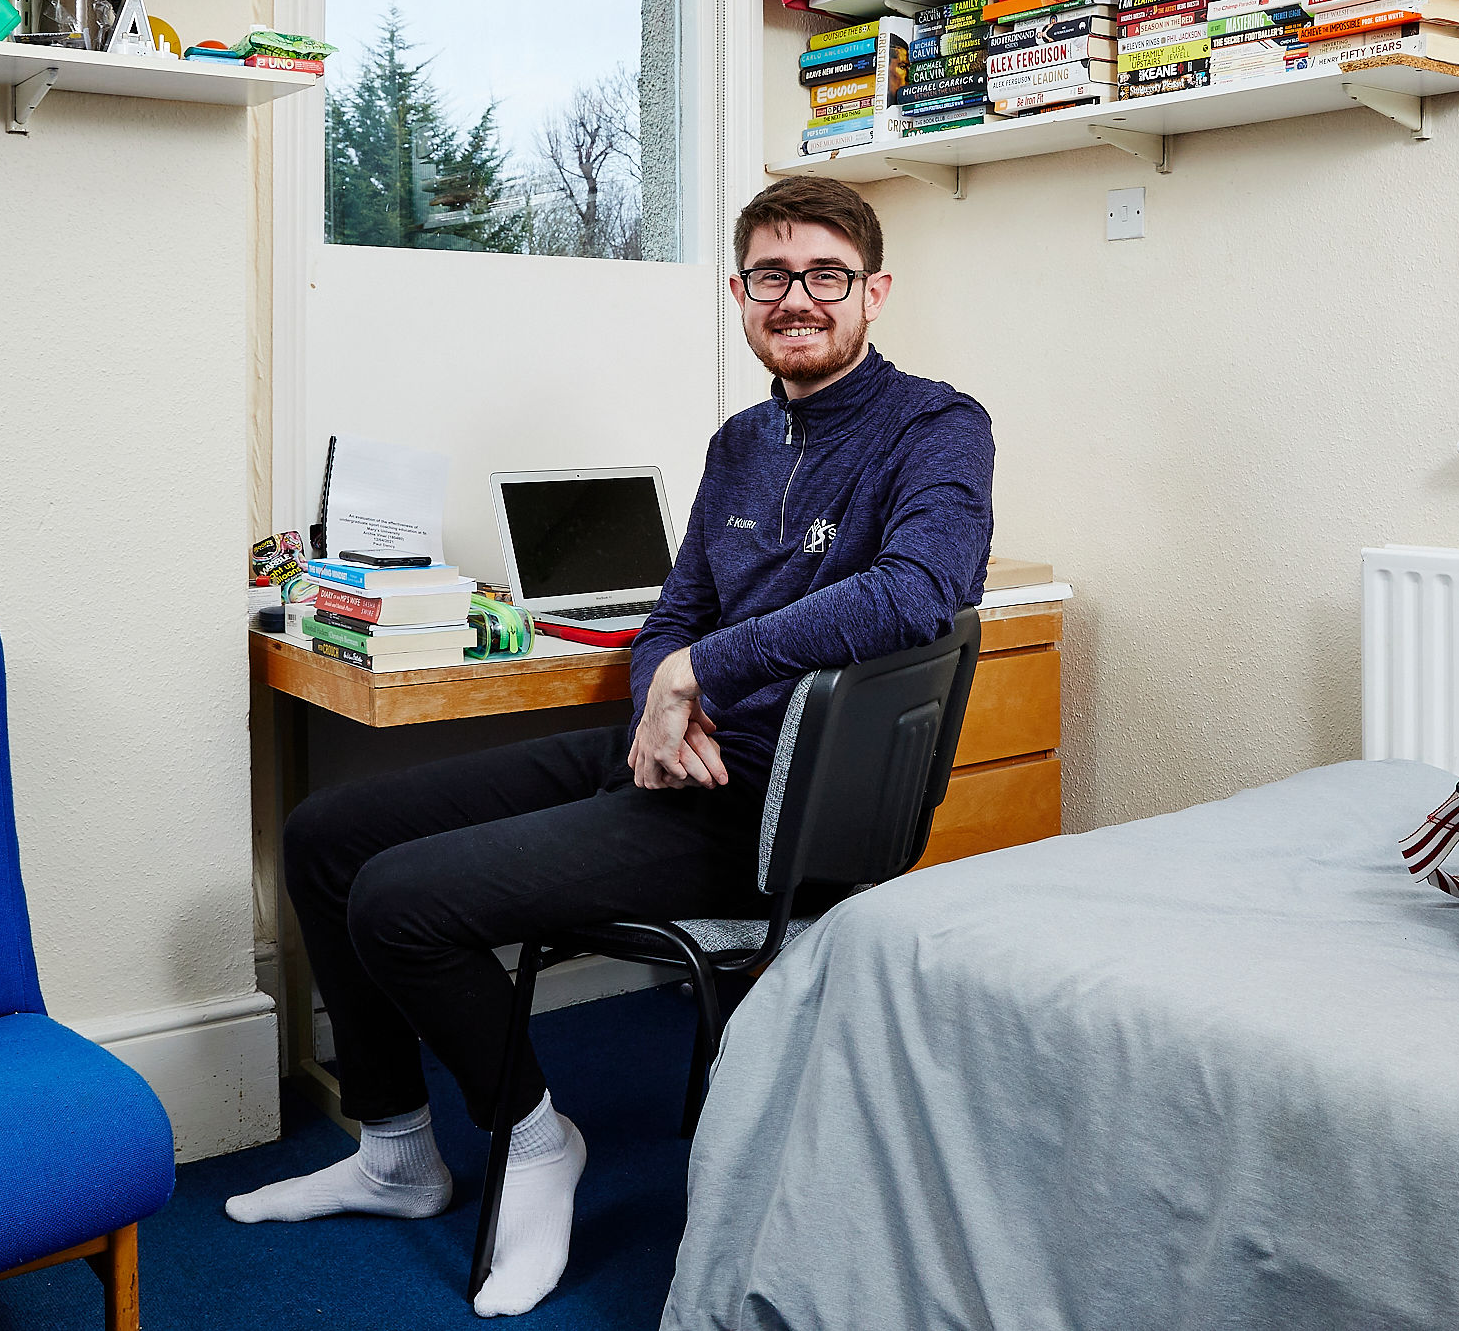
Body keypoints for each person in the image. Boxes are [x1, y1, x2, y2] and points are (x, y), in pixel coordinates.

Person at [227, 175, 994, 1317]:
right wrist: (656, 694)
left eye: (825, 274)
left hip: (768, 808)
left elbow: (916, 591)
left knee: (396, 900)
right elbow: (679, 611)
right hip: (669, 757)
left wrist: (698, 677)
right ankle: (396, 1154)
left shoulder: (936, 426)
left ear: (872, 291)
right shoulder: (739, 441)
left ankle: (534, 1140)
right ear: (738, 294)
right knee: (326, 835)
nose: (797, 299)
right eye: (770, 276)